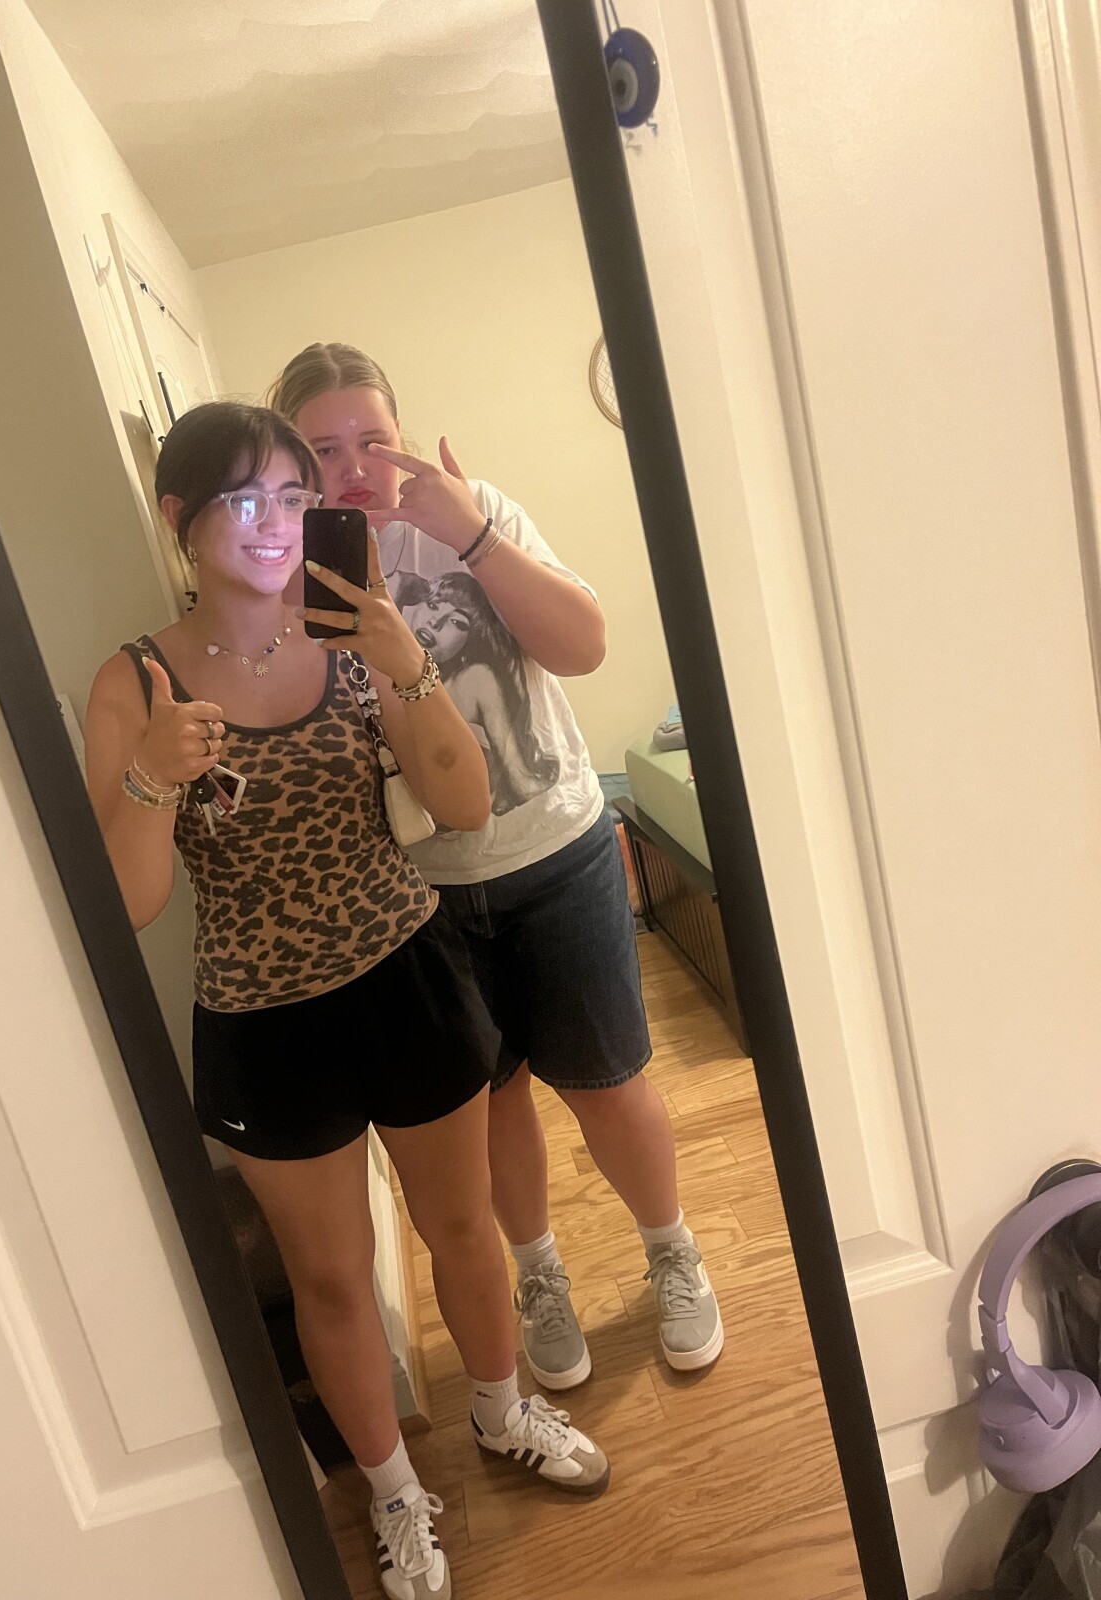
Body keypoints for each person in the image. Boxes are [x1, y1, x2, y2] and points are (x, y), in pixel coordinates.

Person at [84, 402, 609, 1600]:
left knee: (463, 1227)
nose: (277, 523)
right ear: (179, 518)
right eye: (245, 500)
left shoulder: (354, 626)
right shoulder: (134, 681)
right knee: (328, 1278)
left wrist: (404, 663)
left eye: (293, 495)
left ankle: (501, 1409)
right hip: (263, 1023)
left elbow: (463, 803)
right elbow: (129, 905)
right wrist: (150, 777)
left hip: (408, 974)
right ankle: (394, 1492)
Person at [272, 345, 724, 1396]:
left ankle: (672, 1249)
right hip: (419, 894)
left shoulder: (477, 513)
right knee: (497, 1099)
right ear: (292, 460)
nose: (353, 466)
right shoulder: (288, 573)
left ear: (402, 435)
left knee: (609, 1084)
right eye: (324, 449)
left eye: (372, 439)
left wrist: (470, 533)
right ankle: (541, 1276)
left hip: (557, 852)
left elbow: (584, 647)